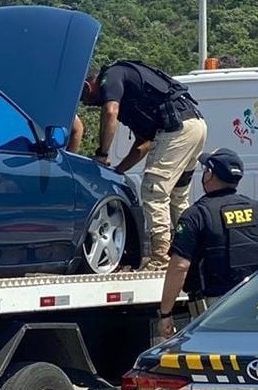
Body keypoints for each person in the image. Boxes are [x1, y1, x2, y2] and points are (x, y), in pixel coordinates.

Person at [80, 61, 208, 269]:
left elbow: (110, 111)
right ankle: (191, 251)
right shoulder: (135, 95)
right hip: (195, 126)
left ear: (88, 87)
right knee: (177, 196)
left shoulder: (111, 76)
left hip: (176, 129)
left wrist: (102, 154)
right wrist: (117, 172)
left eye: (84, 99)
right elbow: (143, 144)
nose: (86, 104)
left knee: (153, 191)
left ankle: (161, 257)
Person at [156, 148, 258, 339]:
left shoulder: (196, 215)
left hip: (214, 312)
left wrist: (166, 313)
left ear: (210, 175)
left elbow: (180, 267)